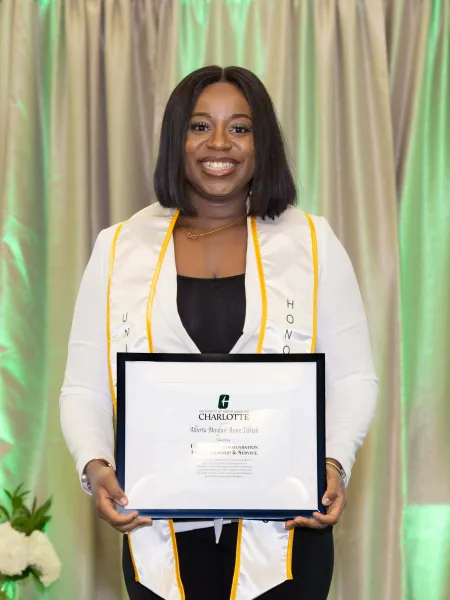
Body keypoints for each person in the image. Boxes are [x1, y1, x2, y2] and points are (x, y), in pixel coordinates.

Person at [60, 65, 378, 600]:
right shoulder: (118, 248)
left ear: (262, 143)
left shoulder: (313, 244)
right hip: (156, 530)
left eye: (240, 128)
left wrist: (332, 462)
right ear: (176, 138)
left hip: (284, 533)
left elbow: (354, 377)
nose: (219, 143)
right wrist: (96, 464)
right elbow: (84, 386)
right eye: (200, 126)